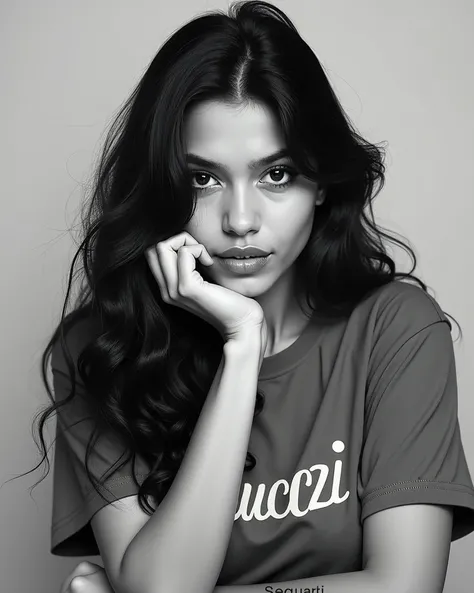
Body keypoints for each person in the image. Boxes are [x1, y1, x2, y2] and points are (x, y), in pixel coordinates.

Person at [11, 1, 474, 592]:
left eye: (275, 174)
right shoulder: (98, 348)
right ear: (160, 188)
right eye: (202, 179)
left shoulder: (396, 328)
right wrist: (242, 345)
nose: (240, 220)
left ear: (323, 184)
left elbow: (407, 586)